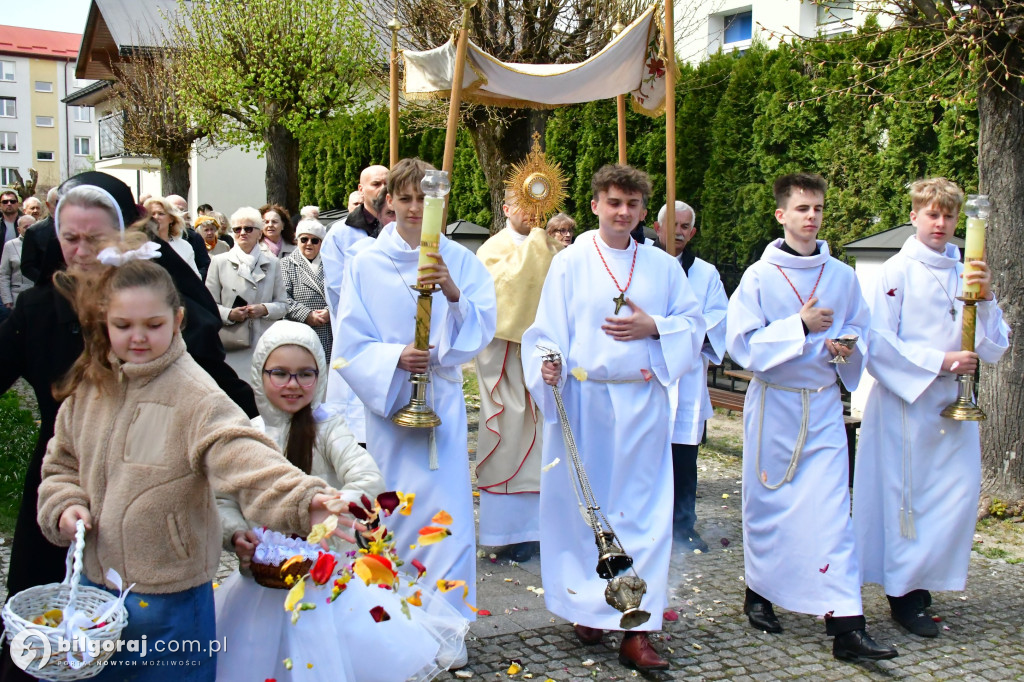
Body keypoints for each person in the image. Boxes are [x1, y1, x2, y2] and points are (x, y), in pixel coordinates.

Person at [36, 257, 348, 680]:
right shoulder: (91, 387)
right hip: (96, 590)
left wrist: (302, 500)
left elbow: (243, 454)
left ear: (178, 319)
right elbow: (62, 462)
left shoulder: (194, 395)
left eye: (153, 324)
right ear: (103, 322)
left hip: (171, 599)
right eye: (124, 326)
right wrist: (65, 504)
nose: (139, 337)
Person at [0, 173, 258, 681]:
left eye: (94, 239)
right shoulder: (37, 306)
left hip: (149, 482)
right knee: (45, 627)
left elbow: (215, 396)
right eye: (68, 238)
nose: (78, 251)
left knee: (144, 642)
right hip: (65, 476)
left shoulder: (152, 301)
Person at [522, 164, 705, 672]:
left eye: (632, 204)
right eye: (614, 202)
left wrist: (655, 326)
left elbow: (693, 326)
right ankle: (590, 605)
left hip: (643, 404)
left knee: (643, 515)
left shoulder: (665, 268)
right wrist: (548, 363)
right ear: (596, 205)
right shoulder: (571, 262)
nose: (623, 212)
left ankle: (637, 630)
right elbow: (545, 330)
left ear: (645, 211)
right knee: (587, 509)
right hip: (586, 404)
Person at [215, 320, 469, 681]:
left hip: (327, 576)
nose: (293, 385)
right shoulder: (250, 436)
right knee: (264, 659)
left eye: (305, 374)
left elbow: (367, 476)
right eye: (281, 374)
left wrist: (337, 503)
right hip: (265, 578)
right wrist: (237, 533)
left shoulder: (327, 428)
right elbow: (223, 498)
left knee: (327, 658)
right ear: (260, 375)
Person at [725, 172, 895, 662]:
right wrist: (798, 325)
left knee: (830, 515)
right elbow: (742, 346)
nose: (811, 216)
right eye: (802, 209)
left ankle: (846, 625)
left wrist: (846, 348)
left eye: (818, 208)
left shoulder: (841, 275)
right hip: (774, 404)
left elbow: (862, 331)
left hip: (821, 404)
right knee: (770, 507)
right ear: (781, 215)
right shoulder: (759, 277)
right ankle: (760, 593)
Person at [337, 158, 496, 631]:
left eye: (424, 200)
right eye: (404, 198)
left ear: (439, 204)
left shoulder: (462, 260)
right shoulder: (366, 262)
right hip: (389, 409)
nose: (413, 208)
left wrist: (450, 289)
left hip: (441, 406)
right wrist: (394, 358)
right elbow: (349, 344)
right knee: (394, 515)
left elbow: (484, 326)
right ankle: (394, 625)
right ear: (388, 202)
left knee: (447, 522)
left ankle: (447, 626)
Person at [852, 178, 1009, 637]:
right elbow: (878, 344)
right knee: (909, 501)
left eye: (949, 216)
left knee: (953, 498)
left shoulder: (966, 270)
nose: (940, 223)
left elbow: (994, 347)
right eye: (932, 214)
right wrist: (940, 361)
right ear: (915, 215)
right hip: (909, 402)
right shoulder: (895, 272)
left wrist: (989, 296)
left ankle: (928, 581)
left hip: (954, 404)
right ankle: (904, 595)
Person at [474, 192, 561, 562]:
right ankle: (503, 531)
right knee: (509, 437)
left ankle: (543, 531)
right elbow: (496, 295)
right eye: (521, 204)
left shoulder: (555, 249)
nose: (531, 212)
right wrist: (538, 247)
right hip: (505, 359)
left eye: (536, 204)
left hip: (544, 359)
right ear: (507, 209)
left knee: (545, 439)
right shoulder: (491, 250)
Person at [653, 201, 727, 553]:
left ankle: (684, 525)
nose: (678, 232)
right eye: (672, 225)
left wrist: (681, 333)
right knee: (646, 457)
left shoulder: (706, 274)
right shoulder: (641, 265)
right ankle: (646, 526)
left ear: (693, 232)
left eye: (685, 226)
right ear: (657, 226)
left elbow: (715, 319)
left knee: (684, 458)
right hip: (649, 374)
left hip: (686, 377)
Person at [323, 163, 390, 445]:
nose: (383, 189)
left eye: (387, 182)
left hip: (394, 338)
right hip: (358, 332)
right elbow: (338, 291)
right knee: (356, 428)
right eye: (375, 183)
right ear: (361, 190)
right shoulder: (341, 234)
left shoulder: (402, 230)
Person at [206, 206, 288, 382]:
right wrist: (230, 314)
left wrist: (264, 309)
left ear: (259, 233)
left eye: (248, 228)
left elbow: (283, 305)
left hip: (265, 341)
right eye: (237, 229)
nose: (242, 233)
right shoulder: (219, 262)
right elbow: (207, 305)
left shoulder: (273, 263)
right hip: (233, 341)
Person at [282, 219, 333, 358]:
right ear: (297, 240)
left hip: (329, 330)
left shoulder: (331, 263)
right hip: (300, 329)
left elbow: (342, 293)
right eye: (304, 239)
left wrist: (330, 312)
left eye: (315, 240)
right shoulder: (286, 264)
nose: (309, 244)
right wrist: (307, 315)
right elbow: (283, 297)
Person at [145, 196, 201, 277]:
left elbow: (196, 278)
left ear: (171, 218)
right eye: (152, 214)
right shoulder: (140, 246)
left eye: (161, 214)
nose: (156, 217)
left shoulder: (184, 246)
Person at [167, 193, 212, 277]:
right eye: (175, 210)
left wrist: (193, 281)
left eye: (183, 210)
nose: (180, 214)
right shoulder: (154, 237)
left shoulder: (194, 238)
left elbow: (204, 265)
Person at [0, 216, 34, 309]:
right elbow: (4, 274)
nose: (29, 229)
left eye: (32, 226)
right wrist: (7, 299)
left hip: (39, 296)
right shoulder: (10, 245)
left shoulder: (43, 243)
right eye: (26, 227)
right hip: (17, 298)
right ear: (18, 230)